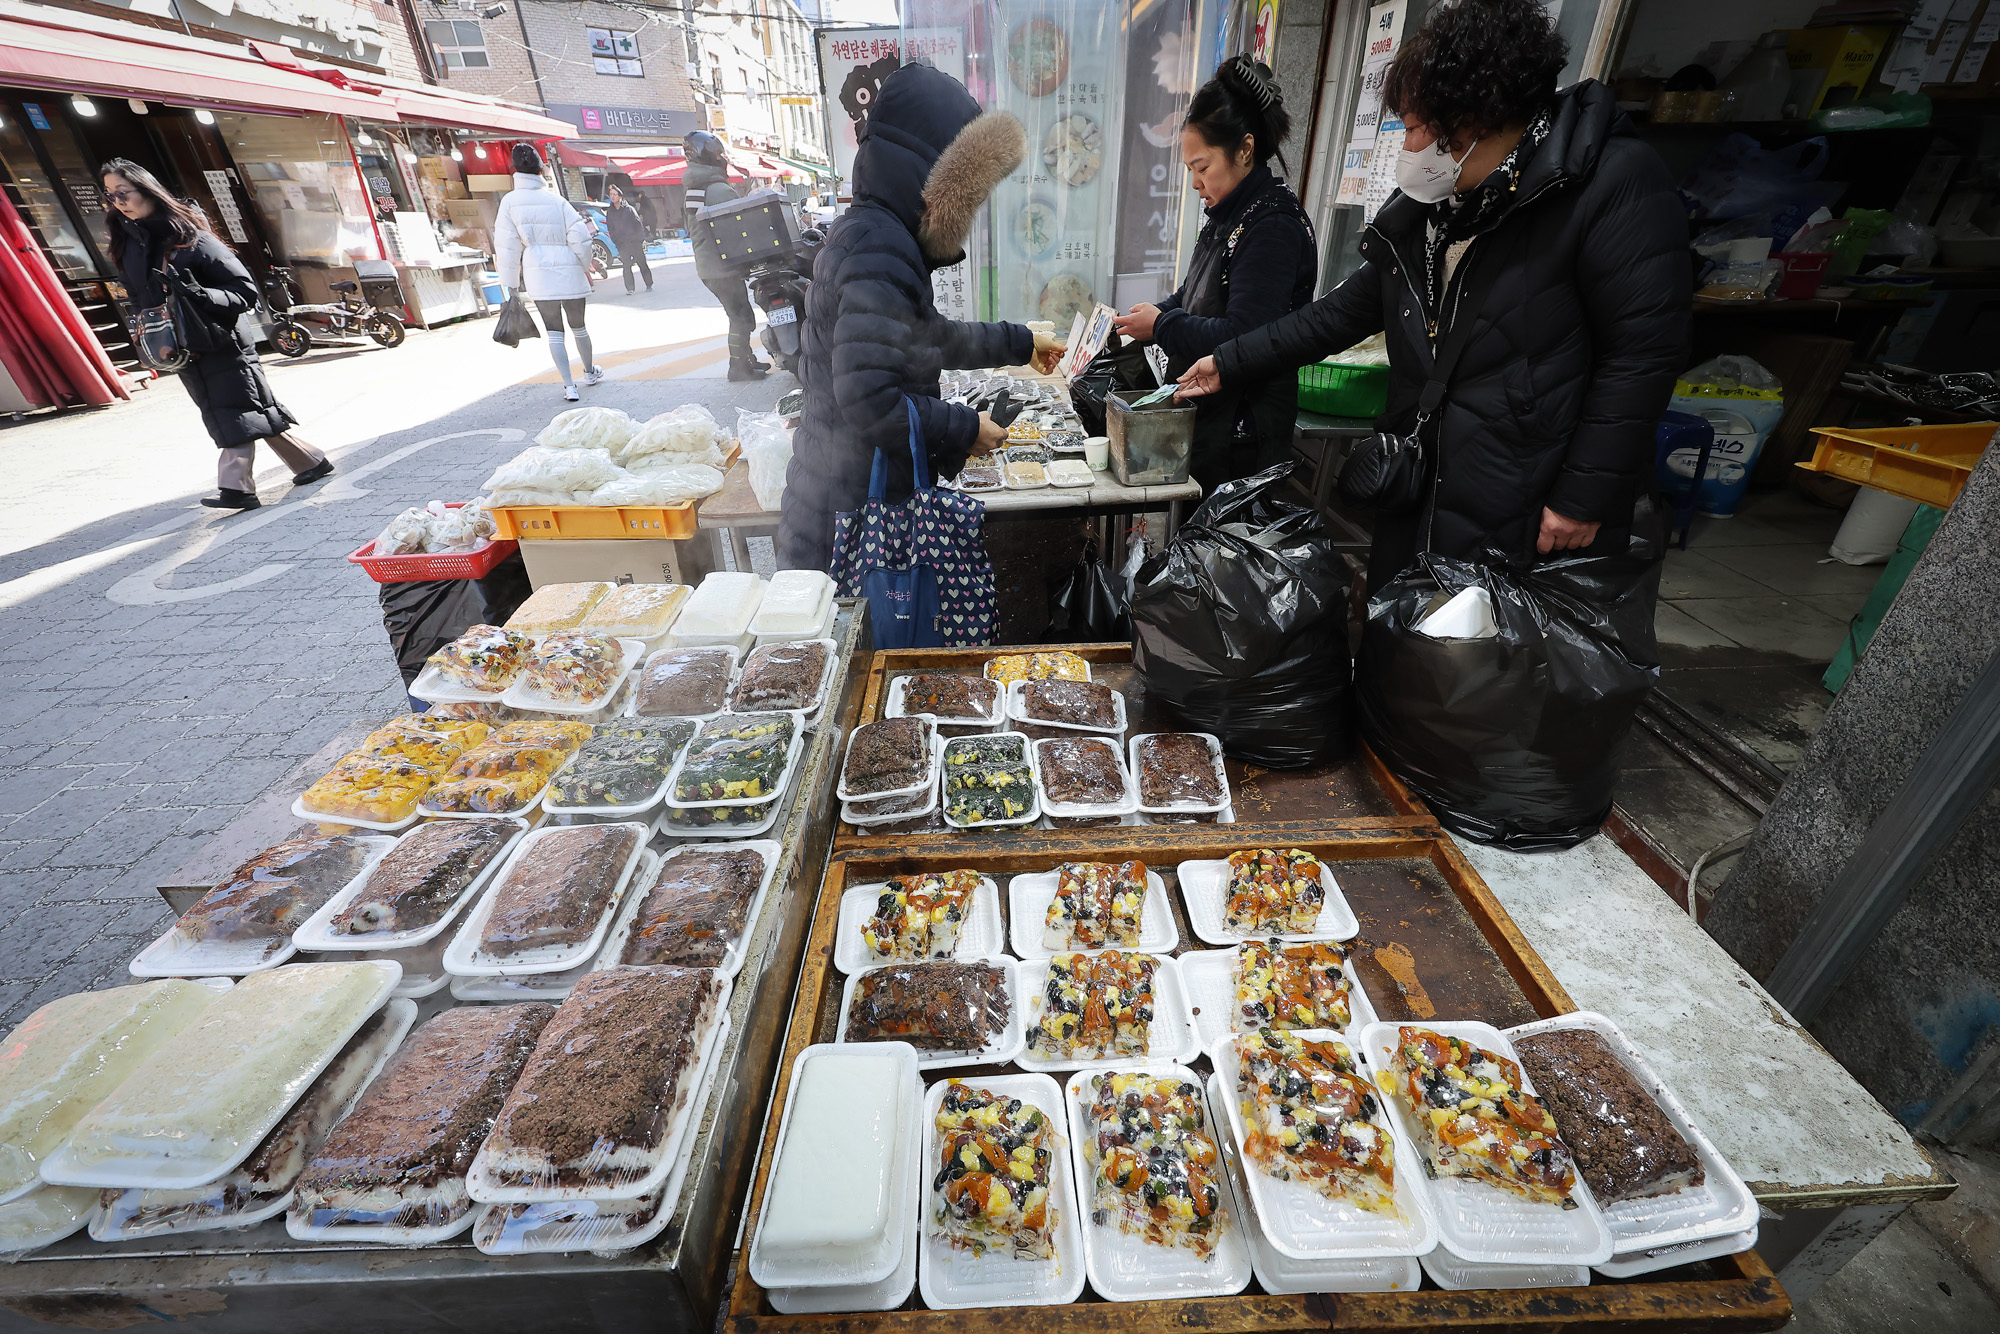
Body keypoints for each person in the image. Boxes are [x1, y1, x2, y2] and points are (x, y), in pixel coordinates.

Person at [1176, 0, 1690, 592]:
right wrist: (1229, 362)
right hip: (1426, 471)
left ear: (1473, 119)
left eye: (1416, 128)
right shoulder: (1436, 209)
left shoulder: (1611, 185)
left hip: (1531, 487)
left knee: (1497, 653)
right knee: (1410, 632)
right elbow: (1339, 314)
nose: (1407, 145)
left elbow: (1644, 352)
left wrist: (1584, 492)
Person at [778, 64, 1061, 572]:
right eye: (973, 192)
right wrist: (962, 427)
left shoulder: (873, 233)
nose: (974, 211)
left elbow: (926, 336)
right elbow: (870, 399)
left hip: (838, 497)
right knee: (861, 646)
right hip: (847, 521)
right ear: (941, 179)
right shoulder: (880, 249)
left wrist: (1021, 341)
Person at [1110, 56, 1316, 494]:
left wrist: (1162, 325)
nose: (1195, 183)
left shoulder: (1272, 227)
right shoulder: (1228, 214)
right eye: (1190, 171)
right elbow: (1194, 294)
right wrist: (1147, 319)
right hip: (1209, 418)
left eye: (1202, 168)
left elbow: (1244, 337)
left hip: (1243, 434)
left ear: (1244, 150)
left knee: (1221, 553)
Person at [101, 158, 331, 512]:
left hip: (223, 340)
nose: (119, 202)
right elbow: (139, 298)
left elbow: (244, 291)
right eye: (111, 196)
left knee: (235, 409)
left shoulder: (191, 238)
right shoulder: (128, 244)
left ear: (147, 190)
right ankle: (310, 461)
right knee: (243, 409)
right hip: (180, 345)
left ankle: (236, 485)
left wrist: (200, 294)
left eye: (124, 192)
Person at [493, 143, 601, 402]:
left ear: (514, 170)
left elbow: (506, 247)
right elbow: (580, 236)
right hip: (568, 267)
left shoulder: (509, 202)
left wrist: (510, 285)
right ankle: (589, 371)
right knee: (579, 326)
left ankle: (568, 386)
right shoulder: (555, 199)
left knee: (554, 331)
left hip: (537, 272)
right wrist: (585, 264)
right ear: (541, 168)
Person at [683, 130, 768, 381]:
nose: (724, 159)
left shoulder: (694, 188)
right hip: (722, 267)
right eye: (720, 154)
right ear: (710, 157)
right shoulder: (717, 189)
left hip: (709, 267)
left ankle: (746, 359)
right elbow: (743, 224)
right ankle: (738, 367)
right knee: (741, 317)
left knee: (737, 314)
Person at [603, 184, 652, 295]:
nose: (613, 197)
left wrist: (639, 239)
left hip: (634, 242)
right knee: (626, 266)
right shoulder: (610, 212)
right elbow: (610, 227)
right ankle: (630, 288)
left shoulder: (629, 209)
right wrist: (616, 240)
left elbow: (638, 224)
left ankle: (649, 284)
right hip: (622, 243)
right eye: (611, 195)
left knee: (642, 263)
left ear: (620, 196)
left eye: (615, 194)